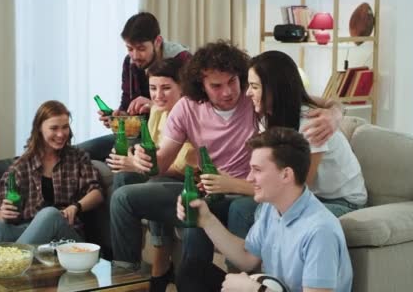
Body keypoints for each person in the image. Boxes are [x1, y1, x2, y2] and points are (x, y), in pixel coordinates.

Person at [109, 41, 343, 281]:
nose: (229, 92)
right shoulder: (188, 108)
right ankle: (125, 283)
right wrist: (142, 159)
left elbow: (295, 97)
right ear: (201, 85)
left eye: (233, 81)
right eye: (216, 86)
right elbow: (161, 163)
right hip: (214, 189)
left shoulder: (255, 100)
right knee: (124, 197)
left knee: (213, 212)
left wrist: (336, 113)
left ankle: (228, 281)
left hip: (246, 191)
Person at [176, 127, 353, 292]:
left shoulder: (320, 231)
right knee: (192, 271)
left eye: (257, 170)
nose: (249, 178)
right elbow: (247, 258)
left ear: (286, 175)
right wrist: (207, 220)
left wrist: (255, 290)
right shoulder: (271, 208)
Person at [0, 101, 104, 253]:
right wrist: (3, 214)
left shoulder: (78, 157)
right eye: (54, 128)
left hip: (66, 237)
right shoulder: (21, 166)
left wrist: (75, 207)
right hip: (29, 232)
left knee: (50, 214)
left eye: (65, 127)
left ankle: (14, 262)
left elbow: (96, 193)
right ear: (39, 129)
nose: (61, 134)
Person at [105, 58, 194, 291]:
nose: (158, 95)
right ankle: (126, 270)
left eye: (166, 88)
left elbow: (183, 166)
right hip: (160, 174)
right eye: (153, 88)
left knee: (149, 182)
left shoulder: (189, 113)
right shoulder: (157, 111)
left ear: (182, 87)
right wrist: (135, 155)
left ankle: (159, 263)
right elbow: (152, 148)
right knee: (123, 178)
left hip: (183, 179)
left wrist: (136, 164)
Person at [246, 50, 367, 216]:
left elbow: (298, 189)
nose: (247, 93)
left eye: (254, 87)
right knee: (242, 208)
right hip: (313, 196)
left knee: (265, 213)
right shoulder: (269, 118)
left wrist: (232, 185)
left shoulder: (311, 122)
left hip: (342, 201)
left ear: (275, 88)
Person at [79, 12, 191, 161]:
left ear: (157, 42)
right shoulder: (130, 62)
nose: (135, 55)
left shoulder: (182, 60)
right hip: (137, 131)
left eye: (141, 48)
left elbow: (193, 107)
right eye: (130, 49)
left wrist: (154, 105)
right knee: (76, 153)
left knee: (121, 165)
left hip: (165, 138)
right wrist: (118, 117)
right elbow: (126, 104)